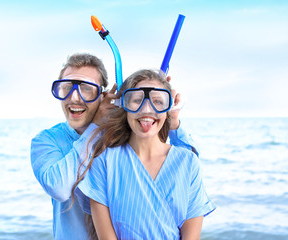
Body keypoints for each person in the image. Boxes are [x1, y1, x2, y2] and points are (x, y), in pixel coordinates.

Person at [30, 54, 201, 239]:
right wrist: (95, 127)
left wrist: (170, 116)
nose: (75, 97)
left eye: (86, 89)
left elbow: (185, 173)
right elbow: (59, 188)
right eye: (66, 88)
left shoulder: (120, 136)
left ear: (104, 95)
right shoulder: (46, 140)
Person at [73, 69, 216, 239]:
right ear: (123, 106)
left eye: (157, 101)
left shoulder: (188, 162)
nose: (147, 109)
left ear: (168, 107)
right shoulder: (103, 162)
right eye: (137, 100)